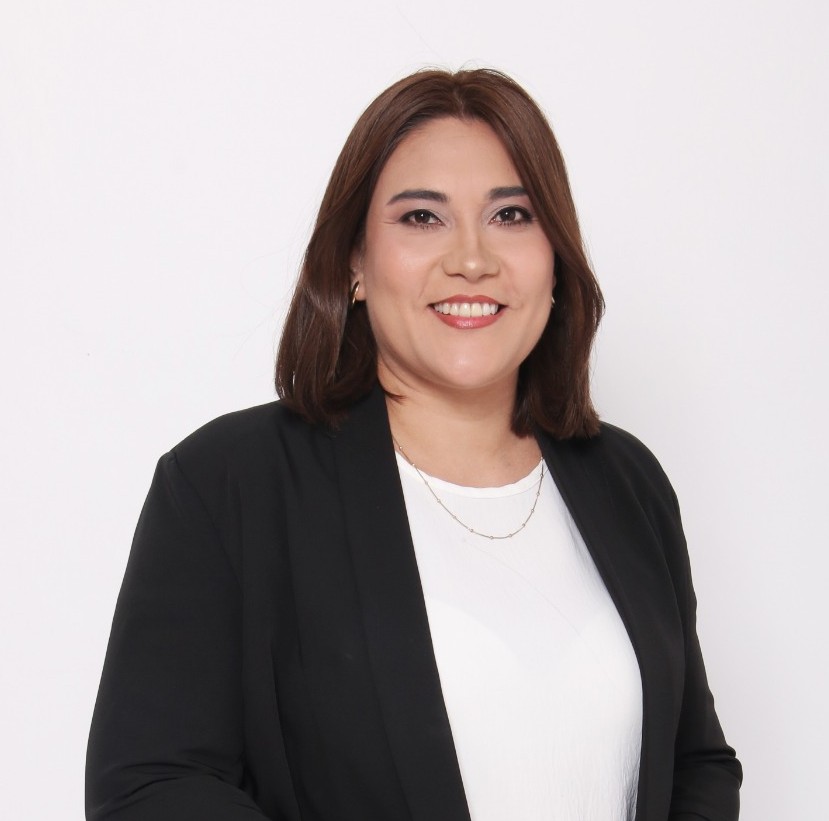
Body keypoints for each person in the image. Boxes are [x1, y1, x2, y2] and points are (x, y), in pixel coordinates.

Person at [86, 68, 742, 821]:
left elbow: (696, 762)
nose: (472, 259)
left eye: (512, 215)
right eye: (422, 218)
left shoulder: (626, 480)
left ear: (555, 258)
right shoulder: (227, 484)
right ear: (354, 263)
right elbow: (151, 785)